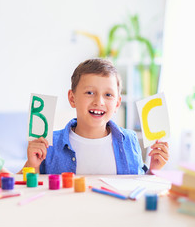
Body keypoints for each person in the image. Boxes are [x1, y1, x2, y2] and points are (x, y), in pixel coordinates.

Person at [23, 58, 169, 175]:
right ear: (72, 98)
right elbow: (29, 189)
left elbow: (138, 189)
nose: (99, 102)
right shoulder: (49, 144)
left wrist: (154, 170)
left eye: (108, 95)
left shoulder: (129, 141)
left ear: (117, 103)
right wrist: (32, 166)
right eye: (90, 93)